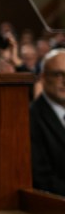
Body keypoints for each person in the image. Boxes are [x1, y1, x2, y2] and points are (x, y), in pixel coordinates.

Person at [31, 49, 65, 196]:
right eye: (58, 74)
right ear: (43, 77)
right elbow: (41, 179)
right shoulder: (31, 118)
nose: (64, 81)